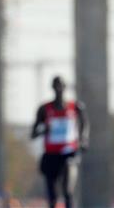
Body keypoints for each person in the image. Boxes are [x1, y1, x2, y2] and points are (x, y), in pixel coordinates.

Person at [31, 76, 89, 208]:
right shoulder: (44, 109)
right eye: (56, 86)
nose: (58, 89)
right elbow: (33, 134)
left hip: (69, 152)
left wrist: (84, 138)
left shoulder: (75, 107)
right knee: (53, 195)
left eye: (61, 86)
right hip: (51, 155)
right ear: (52, 88)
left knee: (68, 190)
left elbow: (85, 122)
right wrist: (43, 130)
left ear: (65, 88)